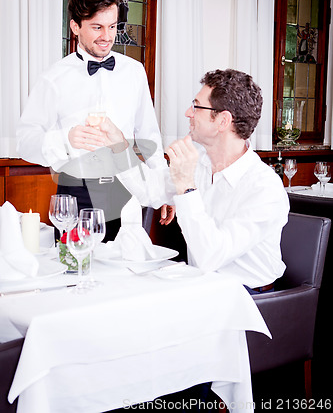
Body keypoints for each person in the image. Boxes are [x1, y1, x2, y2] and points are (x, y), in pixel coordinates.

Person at [99, 68, 290, 292]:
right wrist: (118, 145)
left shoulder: (264, 187)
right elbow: (148, 190)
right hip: (202, 286)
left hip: (247, 298)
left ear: (222, 121)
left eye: (197, 106)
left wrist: (186, 188)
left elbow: (211, 256)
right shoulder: (200, 163)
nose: (188, 112)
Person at [16, 0, 174, 241]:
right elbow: (25, 142)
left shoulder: (134, 72)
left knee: (126, 272)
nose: (107, 36)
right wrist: (65, 140)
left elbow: (150, 135)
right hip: (75, 193)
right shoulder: (53, 78)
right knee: (77, 271)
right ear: (75, 26)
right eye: (97, 27)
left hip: (128, 188)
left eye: (112, 26)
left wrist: (165, 189)